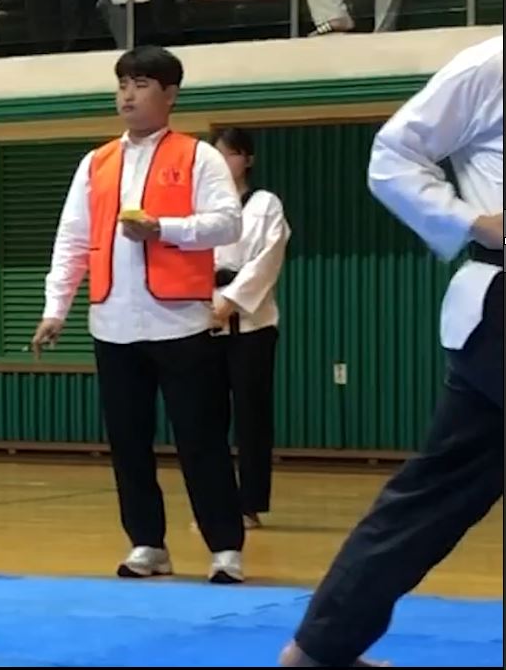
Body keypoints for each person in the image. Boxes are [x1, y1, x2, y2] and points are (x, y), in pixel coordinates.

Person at [279, 35, 502, 668]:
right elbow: (393, 153)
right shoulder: (491, 65)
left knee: (433, 496)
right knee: (432, 495)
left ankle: (320, 648)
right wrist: (469, 220)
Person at [30, 45, 247, 583]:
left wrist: (164, 229)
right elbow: (72, 240)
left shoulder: (198, 156)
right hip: (114, 325)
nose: (128, 94)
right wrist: (55, 308)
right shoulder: (96, 162)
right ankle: (147, 543)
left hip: (181, 324)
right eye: (123, 83)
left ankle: (225, 547)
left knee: (201, 439)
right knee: (128, 443)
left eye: (142, 84)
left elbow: (228, 223)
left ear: (170, 95)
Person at [209, 126, 290, 530]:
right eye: (217, 154)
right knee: (208, 416)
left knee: (251, 415)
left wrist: (232, 300)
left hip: (253, 323)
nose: (224, 162)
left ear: (248, 159)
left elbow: (268, 258)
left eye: (231, 154)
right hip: (205, 318)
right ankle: (216, 504)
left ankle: (249, 504)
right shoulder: (202, 206)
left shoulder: (265, 203)